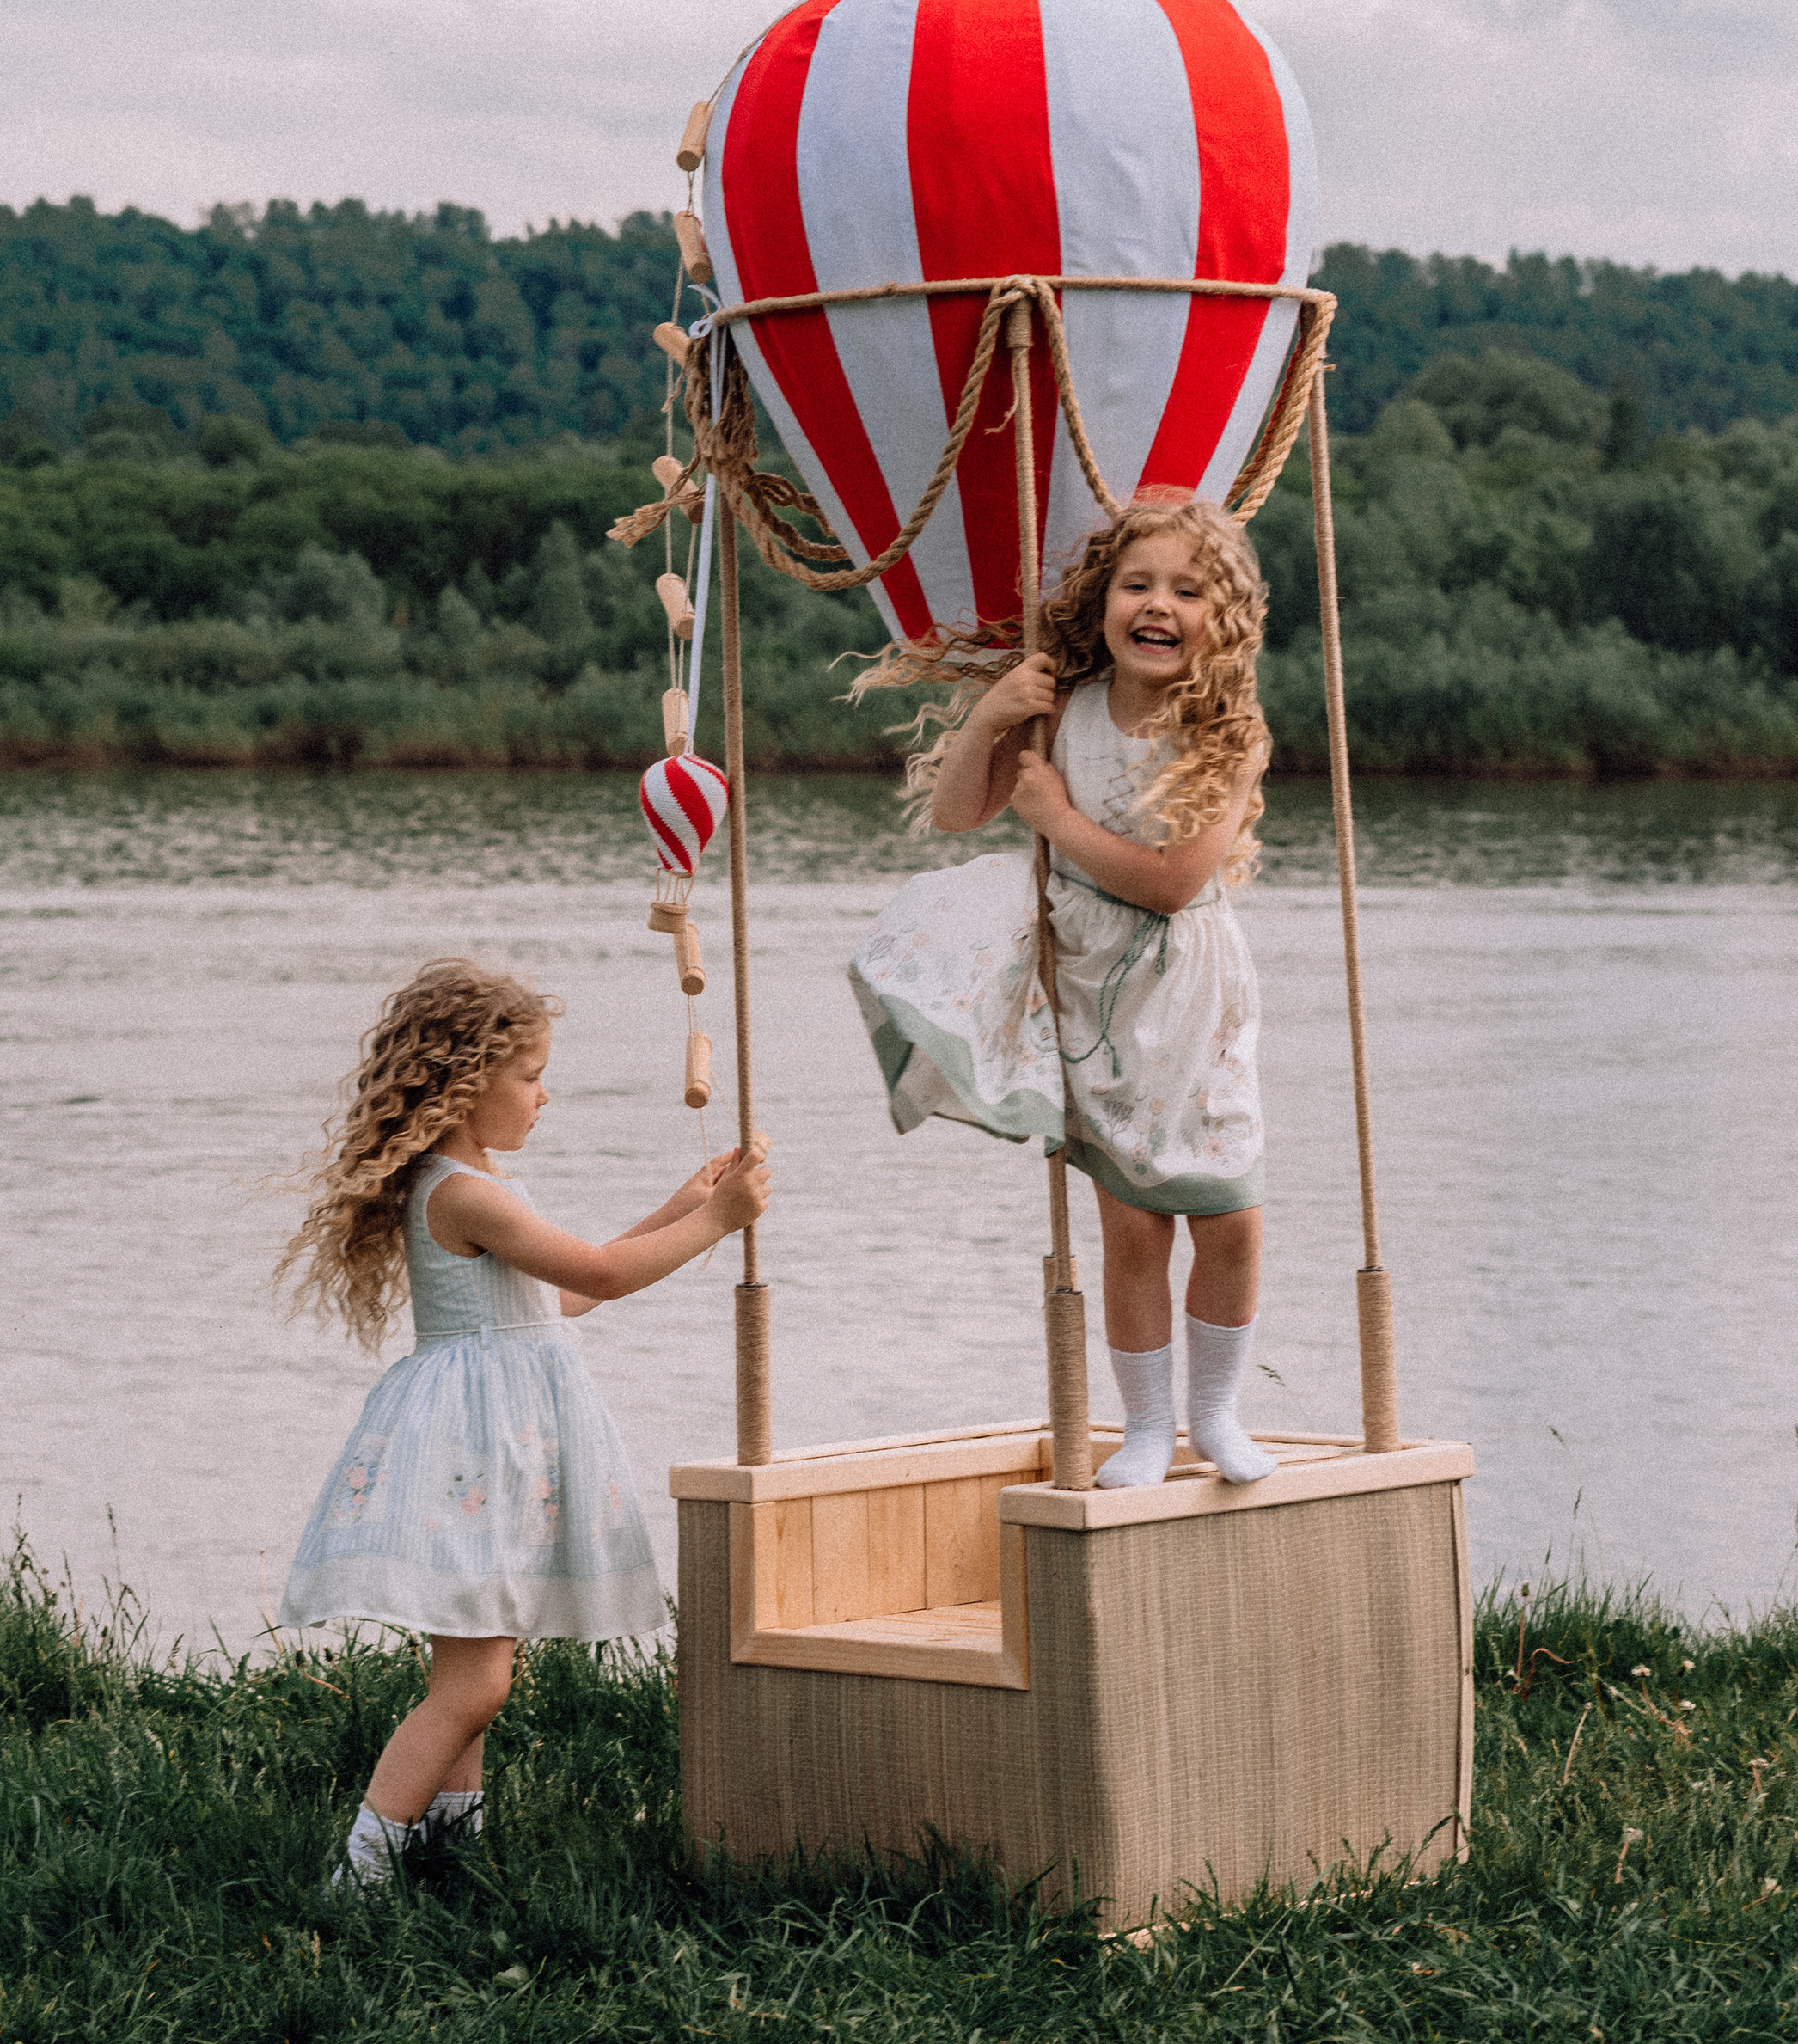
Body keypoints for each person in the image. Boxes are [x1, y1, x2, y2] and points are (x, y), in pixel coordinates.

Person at [275, 956, 770, 1890]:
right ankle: (362, 1874)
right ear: (468, 1082)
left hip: (488, 1447)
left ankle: (445, 1851)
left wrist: (679, 1206)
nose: (546, 1094)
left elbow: (556, 1301)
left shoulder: (473, 1181)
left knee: (472, 1677)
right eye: (531, 1074)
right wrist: (719, 1224)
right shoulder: (466, 1192)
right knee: (477, 1682)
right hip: (472, 1448)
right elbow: (601, 1276)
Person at [849, 499, 1271, 1492]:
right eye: (1138, 584)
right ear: (1104, 601)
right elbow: (957, 813)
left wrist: (1055, 819)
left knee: (1230, 1215)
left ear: (1223, 616)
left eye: (1186, 588)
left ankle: (1214, 1413)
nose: (1157, 604)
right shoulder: (1064, 707)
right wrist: (996, 715)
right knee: (1130, 1224)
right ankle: (1146, 1427)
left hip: (1192, 993)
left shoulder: (1228, 730)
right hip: (1090, 986)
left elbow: (1173, 881)